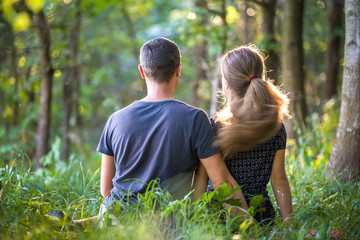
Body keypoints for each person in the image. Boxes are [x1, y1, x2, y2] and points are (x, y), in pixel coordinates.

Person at [96, 37, 248, 221]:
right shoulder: (194, 118)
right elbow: (220, 181)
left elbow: (106, 190)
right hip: (169, 224)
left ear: (142, 71)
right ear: (178, 69)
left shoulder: (115, 119)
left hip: (118, 218)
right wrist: (250, 229)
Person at [198, 44, 293, 226]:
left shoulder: (214, 127)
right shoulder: (275, 127)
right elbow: (279, 179)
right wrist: (290, 227)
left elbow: (203, 178)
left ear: (226, 84)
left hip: (221, 215)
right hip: (260, 216)